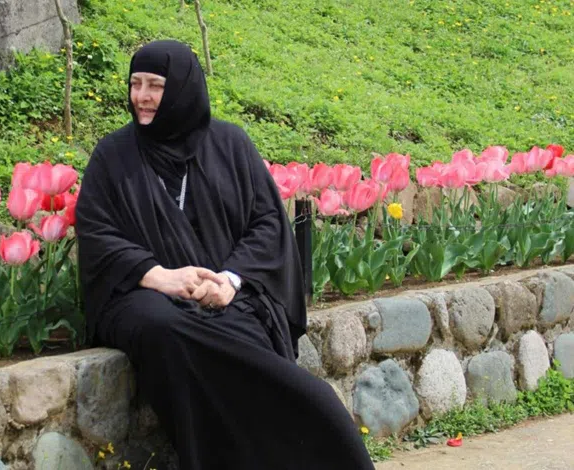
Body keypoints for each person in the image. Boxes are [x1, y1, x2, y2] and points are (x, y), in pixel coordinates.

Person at [75, 39, 374, 470]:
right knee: (162, 328)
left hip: (227, 296)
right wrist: (160, 276)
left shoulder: (230, 144)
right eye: (135, 84)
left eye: (155, 85)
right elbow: (97, 232)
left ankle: (308, 418)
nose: (141, 96)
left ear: (182, 88)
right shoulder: (113, 156)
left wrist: (231, 280)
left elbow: (267, 222)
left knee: (239, 331)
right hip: (144, 295)